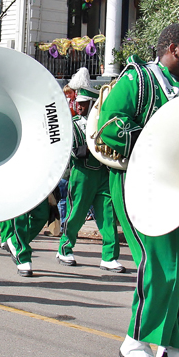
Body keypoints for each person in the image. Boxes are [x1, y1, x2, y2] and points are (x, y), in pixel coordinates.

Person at [99, 23, 179, 357]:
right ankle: (135, 340)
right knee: (161, 265)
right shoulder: (137, 81)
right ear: (172, 47)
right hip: (141, 186)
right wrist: (156, 141)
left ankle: (172, 344)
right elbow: (109, 127)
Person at [56, 67, 124, 273]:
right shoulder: (73, 124)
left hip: (103, 174)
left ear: (93, 104)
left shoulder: (105, 123)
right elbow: (70, 149)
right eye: (79, 104)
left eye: (84, 105)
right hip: (82, 174)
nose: (79, 108)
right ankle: (65, 249)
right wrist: (82, 150)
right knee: (76, 214)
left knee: (107, 215)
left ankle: (109, 256)